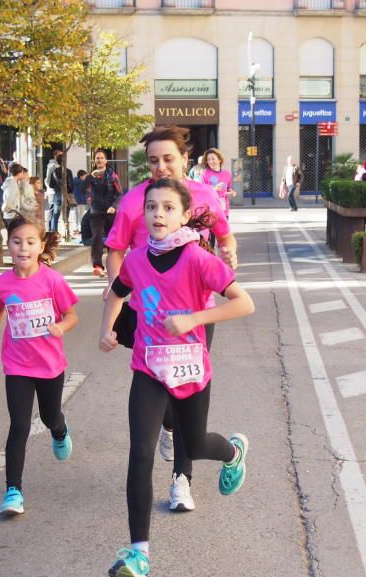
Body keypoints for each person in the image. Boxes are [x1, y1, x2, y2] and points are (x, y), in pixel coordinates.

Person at [98, 178, 254, 577]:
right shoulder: (135, 260)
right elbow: (115, 293)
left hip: (190, 369)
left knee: (196, 444)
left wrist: (194, 319)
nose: (158, 214)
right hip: (149, 368)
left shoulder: (198, 259)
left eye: (168, 208)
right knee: (142, 453)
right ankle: (139, 554)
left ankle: (232, 452)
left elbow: (244, 303)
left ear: (185, 216)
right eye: (151, 207)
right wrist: (107, 329)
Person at [105, 125, 238, 513]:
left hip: (192, 310)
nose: (161, 166)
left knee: (185, 387)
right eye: (153, 161)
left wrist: (230, 256)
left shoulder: (204, 196)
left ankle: (182, 479)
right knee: (157, 391)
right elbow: (115, 250)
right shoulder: (135, 201)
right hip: (145, 309)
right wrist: (116, 287)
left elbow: (225, 238)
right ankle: (166, 426)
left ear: (185, 158)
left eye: (168, 159)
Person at [0, 218, 79, 516]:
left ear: (41, 247)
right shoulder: (2, 283)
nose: (23, 247)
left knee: (49, 416)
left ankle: (60, 430)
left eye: (31, 242)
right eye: (17, 241)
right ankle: (13, 491)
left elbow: (72, 316)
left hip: (49, 365)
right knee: (19, 426)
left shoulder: (52, 281)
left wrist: (61, 327)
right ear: (8, 244)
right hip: (17, 365)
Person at [87, 150, 124, 276]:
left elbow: (119, 194)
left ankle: (114, 266)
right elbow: (84, 191)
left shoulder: (113, 176)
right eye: (97, 158)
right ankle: (97, 266)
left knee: (111, 240)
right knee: (97, 237)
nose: (99, 160)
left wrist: (114, 206)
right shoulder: (90, 176)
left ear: (105, 160)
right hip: (96, 212)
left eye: (101, 158)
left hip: (111, 213)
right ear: (94, 161)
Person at [202, 148, 236, 219]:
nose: (211, 161)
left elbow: (228, 188)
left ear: (219, 160)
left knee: (225, 230)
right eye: (208, 159)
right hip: (210, 210)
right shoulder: (205, 173)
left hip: (224, 210)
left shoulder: (227, 174)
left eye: (213, 159)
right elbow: (203, 192)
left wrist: (231, 192)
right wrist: (214, 189)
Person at [48, 151, 74, 234]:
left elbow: (51, 184)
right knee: (66, 215)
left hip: (57, 194)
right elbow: (70, 185)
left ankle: (54, 232)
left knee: (55, 214)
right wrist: (70, 192)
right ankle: (67, 232)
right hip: (66, 194)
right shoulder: (68, 172)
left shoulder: (55, 171)